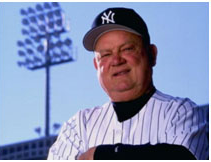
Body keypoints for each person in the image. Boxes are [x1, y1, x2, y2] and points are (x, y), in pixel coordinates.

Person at [47, 7, 208, 160]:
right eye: (106, 54)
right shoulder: (79, 126)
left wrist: (101, 155)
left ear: (152, 54)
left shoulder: (180, 112)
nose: (116, 60)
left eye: (127, 49)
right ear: (96, 65)